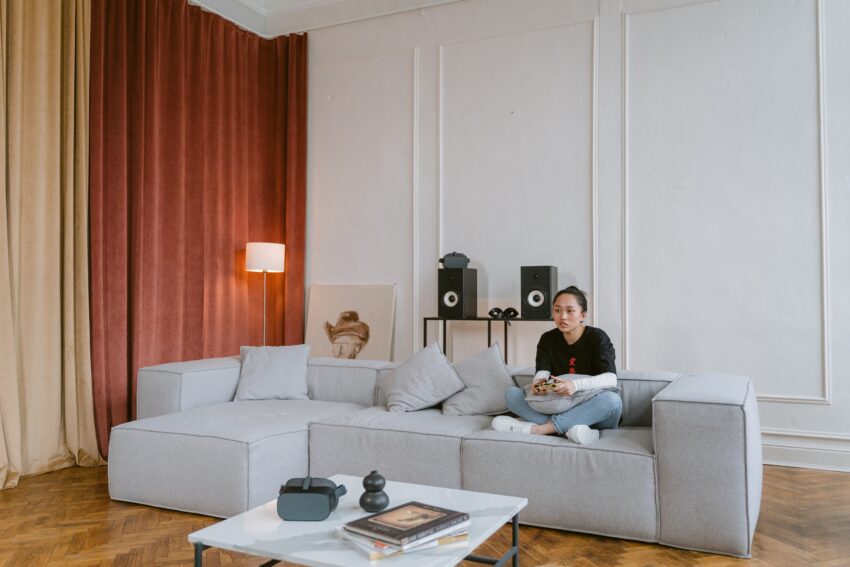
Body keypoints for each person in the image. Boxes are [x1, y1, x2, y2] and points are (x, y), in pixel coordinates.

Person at [491, 286, 622, 445]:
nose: (563, 317)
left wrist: (574, 385)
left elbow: (610, 378)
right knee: (512, 395)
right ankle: (576, 432)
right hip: (559, 406)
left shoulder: (597, 337)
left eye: (570, 311)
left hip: (593, 411)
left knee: (612, 401)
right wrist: (539, 386)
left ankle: (541, 429)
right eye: (558, 310)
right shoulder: (548, 339)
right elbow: (542, 374)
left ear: (583, 315)